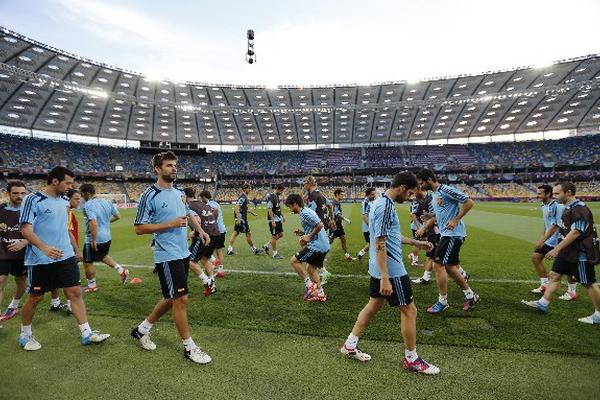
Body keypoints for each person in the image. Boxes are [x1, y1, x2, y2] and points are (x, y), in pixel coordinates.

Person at [340, 172, 439, 375]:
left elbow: (390, 235)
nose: (411, 197)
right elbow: (380, 243)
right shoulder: (385, 206)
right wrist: (386, 276)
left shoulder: (379, 202)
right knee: (409, 310)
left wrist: (416, 242)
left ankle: (350, 345)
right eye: (410, 193)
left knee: (374, 304)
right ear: (402, 187)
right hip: (391, 270)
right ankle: (411, 359)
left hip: (379, 267)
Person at [131, 151, 212, 364]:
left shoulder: (178, 192)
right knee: (181, 299)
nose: (174, 168)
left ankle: (142, 330)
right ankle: (189, 348)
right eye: (169, 165)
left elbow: (186, 213)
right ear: (158, 169)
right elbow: (139, 228)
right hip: (167, 255)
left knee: (171, 297)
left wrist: (200, 230)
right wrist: (169, 224)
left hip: (183, 251)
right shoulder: (149, 195)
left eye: (175, 165)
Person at [18, 166, 109, 351]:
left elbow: (66, 229)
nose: (70, 186)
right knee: (35, 298)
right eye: (67, 183)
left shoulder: (65, 201)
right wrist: (44, 248)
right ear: (55, 181)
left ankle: (86, 333)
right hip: (40, 259)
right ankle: (25, 335)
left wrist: (75, 250)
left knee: (75, 292)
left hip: (66, 257)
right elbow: (25, 229)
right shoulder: (33, 199)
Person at [522, 182, 600, 325]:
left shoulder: (579, 209)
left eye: (557, 193)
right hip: (567, 252)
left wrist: (556, 249)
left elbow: (576, 232)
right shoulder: (567, 208)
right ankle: (543, 303)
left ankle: (599, 314)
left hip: (579, 254)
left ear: (568, 193)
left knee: (589, 283)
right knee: (555, 275)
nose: (555, 196)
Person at [416, 169, 479, 314]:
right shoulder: (434, 195)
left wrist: (455, 220)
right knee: (450, 267)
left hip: (453, 234)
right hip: (447, 234)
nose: (420, 185)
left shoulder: (445, 189)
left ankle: (442, 302)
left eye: (422, 182)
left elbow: (469, 202)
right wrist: (430, 216)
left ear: (429, 179)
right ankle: (470, 296)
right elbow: (442, 212)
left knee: (438, 265)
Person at [530, 184, 578, 299]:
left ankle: (572, 291)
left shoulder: (557, 206)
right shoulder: (544, 205)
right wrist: (541, 237)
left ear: (548, 194)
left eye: (540, 193)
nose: (537, 195)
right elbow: (546, 224)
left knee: (566, 267)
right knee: (536, 257)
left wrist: (542, 240)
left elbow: (556, 226)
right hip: (550, 239)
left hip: (559, 240)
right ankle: (545, 284)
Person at [79, 183, 129, 292]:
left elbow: (93, 223)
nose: (81, 196)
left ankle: (92, 286)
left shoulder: (88, 205)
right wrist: (106, 222)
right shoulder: (107, 202)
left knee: (87, 262)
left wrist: (94, 239)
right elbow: (118, 216)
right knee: (102, 256)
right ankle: (121, 270)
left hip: (95, 238)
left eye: (82, 194)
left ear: (87, 193)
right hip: (107, 237)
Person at [285, 193, 330, 302]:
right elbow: (314, 226)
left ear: (295, 204)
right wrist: (302, 233)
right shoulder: (305, 212)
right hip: (323, 245)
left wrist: (309, 237)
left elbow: (320, 225)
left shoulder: (305, 213)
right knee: (310, 269)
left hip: (317, 246)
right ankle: (320, 294)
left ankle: (309, 285)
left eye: (290, 206)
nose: (290, 209)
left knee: (294, 261)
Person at [49, 188, 81, 315]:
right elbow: (68, 232)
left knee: (53, 276)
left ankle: (55, 302)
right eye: (76, 199)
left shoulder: (67, 211)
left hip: (55, 248)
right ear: (68, 199)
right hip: (65, 248)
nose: (79, 201)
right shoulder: (66, 211)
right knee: (68, 279)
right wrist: (77, 250)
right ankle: (70, 306)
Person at [0, 181, 28, 323]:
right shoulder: (1, 210)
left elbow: (41, 232)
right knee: (0, 281)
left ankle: (14, 305)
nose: (20, 196)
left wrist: (24, 242)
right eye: (15, 193)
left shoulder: (29, 211)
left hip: (22, 255)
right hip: (3, 253)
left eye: (23, 193)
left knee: (20, 280)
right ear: (8, 194)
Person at [184, 188, 217, 297]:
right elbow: (213, 213)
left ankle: (207, 282)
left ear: (185, 196)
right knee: (204, 259)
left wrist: (194, 231)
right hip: (215, 234)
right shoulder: (203, 204)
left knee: (189, 260)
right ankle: (212, 284)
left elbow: (197, 220)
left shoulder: (190, 206)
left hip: (204, 236)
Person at [303, 176, 335, 283]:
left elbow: (310, 214)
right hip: (324, 226)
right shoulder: (319, 193)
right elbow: (330, 205)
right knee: (318, 251)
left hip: (318, 228)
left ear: (309, 183)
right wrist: (331, 219)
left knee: (314, 252)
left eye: (304, 183)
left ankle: (321, 274)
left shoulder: (312, 195)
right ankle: (322, 272)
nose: (304, 185)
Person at [412, 187, 439, 285]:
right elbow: (431, 216)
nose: (413, 193)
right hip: (432, 231)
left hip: (437, 232)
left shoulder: (430, 198)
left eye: (414, 191)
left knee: (441, 259)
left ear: (419, 188)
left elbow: (435, 217)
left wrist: (422, 228)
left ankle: (462, 275)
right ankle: (426, 278)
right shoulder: (425, 199)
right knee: (430, 255)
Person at [227, 183, 263, 255]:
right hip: (241, 219)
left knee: (237, 233)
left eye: (250, 188)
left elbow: (244, 208)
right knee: (246, 233)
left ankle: (229, 250)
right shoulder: (243, 197)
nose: (249, 189)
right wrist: (238, 219)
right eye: (248, 188)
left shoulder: (244, 197)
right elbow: (236, 207)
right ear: (244, 189)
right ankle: (254, 249)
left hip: (242, 218)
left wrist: (252, 213)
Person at [328, 189, 355, 261]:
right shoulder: (335, 203)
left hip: (337, 224)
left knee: (343, 239)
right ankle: (319, 255)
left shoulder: (335, 202)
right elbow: (337, 214)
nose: (343, 196)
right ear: (337, 194)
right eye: (341, 194)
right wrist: (346, 219)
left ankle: (347, 256)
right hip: (335, 224)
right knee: (329, 241)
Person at [263, 184, 286, 260]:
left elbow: (278, 207)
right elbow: (269, 209)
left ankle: (267, 245)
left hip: (278, 219)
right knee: (274, 236)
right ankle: (275, 254)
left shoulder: (277, 197)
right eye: (281, 190)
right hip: (273, 220)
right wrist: (272, 221)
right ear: (277, 189)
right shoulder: (271, 196)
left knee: (281, 234)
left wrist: (282, 216)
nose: (281, 192)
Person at [206, 193, 226, 278]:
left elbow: (215, 211)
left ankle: (214, 264)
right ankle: (220, 271)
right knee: (219, 251)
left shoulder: (209, 204)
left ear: (204, 197)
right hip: (222, 230)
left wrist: (212, 221)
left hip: (216, 231)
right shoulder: (215, 203)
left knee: (206, 250)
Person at [357, 188, 377, 263]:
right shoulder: (365, 202)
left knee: (372, 243)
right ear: (368, 194)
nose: (374, 196)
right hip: (368, 228)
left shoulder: (369, 201)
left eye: (374, 194)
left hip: (369, 227)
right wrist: (371, 226)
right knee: (372, 243)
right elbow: (364, 216)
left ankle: (361, 253)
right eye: (372, 194)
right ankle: (362, 253)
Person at [408, 191, 427, 267]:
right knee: (417, 243)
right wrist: (419, 228)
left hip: (421, 225)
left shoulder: (420, 200)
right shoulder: (416, 201)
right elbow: (413, 215)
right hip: (417, 226)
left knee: (425, 241)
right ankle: (414, 261)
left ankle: (413, 255)